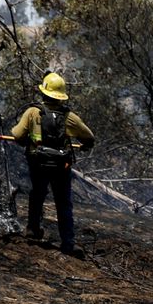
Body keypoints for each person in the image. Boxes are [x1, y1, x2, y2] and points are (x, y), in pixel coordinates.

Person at [10, 72, 95, 256]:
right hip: (61, 167)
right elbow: (89, 137)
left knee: (37, 195)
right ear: (61, 96)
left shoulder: (33, 112)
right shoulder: (69, 117)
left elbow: (17, 135)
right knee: (63, 203)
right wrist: (85, 145)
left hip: (37, 163)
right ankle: (68, 243)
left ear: (44, 93)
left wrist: (27, 140)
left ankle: (33, 230)